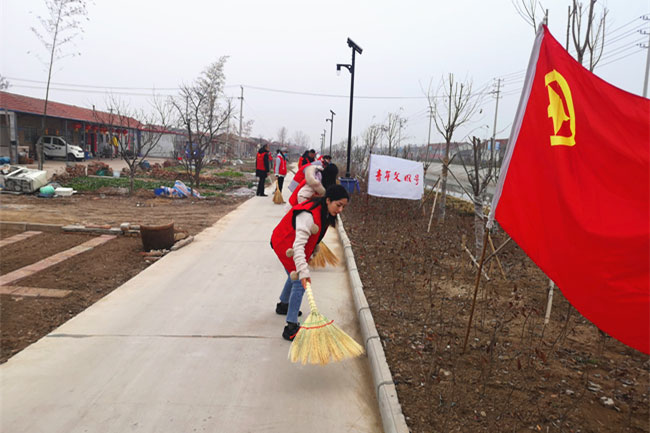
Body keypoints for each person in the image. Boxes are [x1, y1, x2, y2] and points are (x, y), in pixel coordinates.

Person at [270, 184, 350, 340]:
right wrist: (303, 271)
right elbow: (298, 246)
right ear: (328, 200)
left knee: (293, 274)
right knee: (299, 282)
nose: (340, 210)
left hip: (289, 243)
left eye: (343, 207)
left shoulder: (324, 211)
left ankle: (283, 305)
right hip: (284, 243)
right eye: (338, 205)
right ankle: (291, 327)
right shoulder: (308, 215)